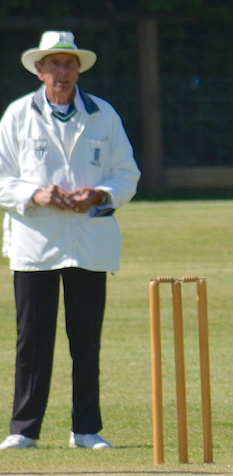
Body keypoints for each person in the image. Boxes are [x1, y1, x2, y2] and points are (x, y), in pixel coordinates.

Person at [0, 31, 141, 450]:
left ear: (78, 70)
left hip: (88, 241)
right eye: (54, 64)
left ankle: (86, 429)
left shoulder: (103, 114)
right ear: (39, 71)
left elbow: (127, 175)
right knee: (32, 341)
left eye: (69, 64)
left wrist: (99, 194)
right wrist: (35, 194)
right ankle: (24, 429)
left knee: (86, 340)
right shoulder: (18, 115)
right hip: (35, 243)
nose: (62, 72)